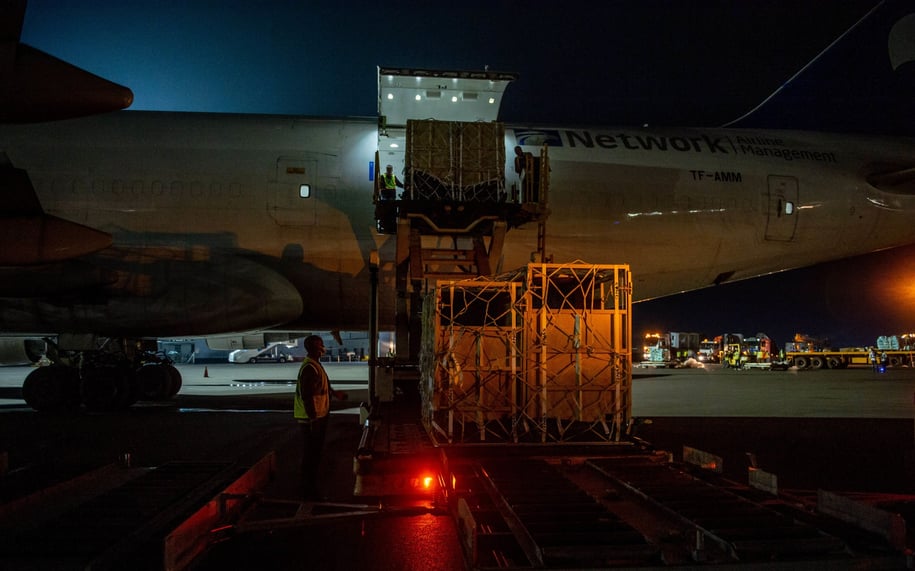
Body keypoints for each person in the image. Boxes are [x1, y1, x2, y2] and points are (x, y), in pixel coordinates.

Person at [294, 334, 347, 500]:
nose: (323, 348)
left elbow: (322, 386)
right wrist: (313, 418)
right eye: (321, 345)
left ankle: (310, 484)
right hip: (312, 418)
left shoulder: (316, 365)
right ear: (314, 349)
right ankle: (307, 488)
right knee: (311, 453)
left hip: (319, 415)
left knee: (315, 451)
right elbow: (307, 395)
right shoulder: (310, 368)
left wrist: (335, 394)